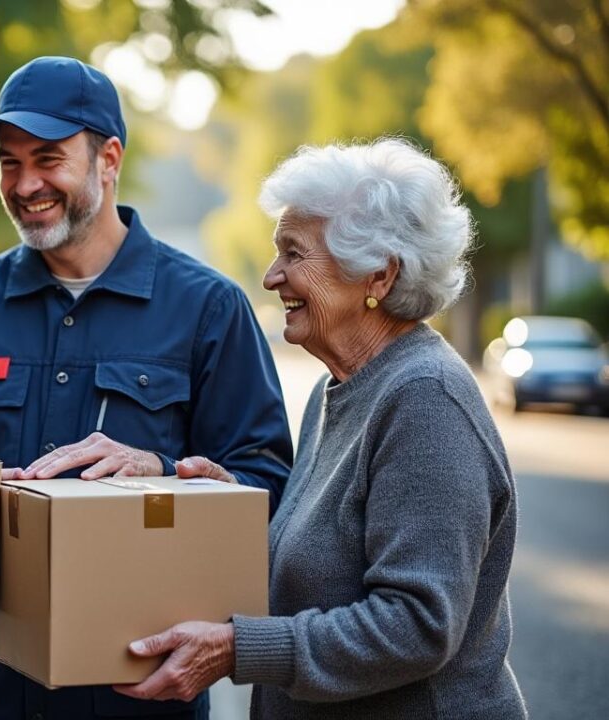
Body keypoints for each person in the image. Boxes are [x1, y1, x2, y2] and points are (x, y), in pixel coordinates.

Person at [0, 55, 293, 720]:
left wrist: (160, 472)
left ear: (108, 159)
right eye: (8, 162)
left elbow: (268, 489)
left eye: (47, 159)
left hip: (135, 690)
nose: (24, 184)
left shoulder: (207, 309)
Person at [117, 139, 528, 719]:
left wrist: (238, 649)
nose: (270, 276)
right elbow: (320, 564)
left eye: (293, 253)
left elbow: (416, 626)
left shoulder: (425, 399)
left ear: (378, 275)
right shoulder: (336, 389)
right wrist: (225, 506)